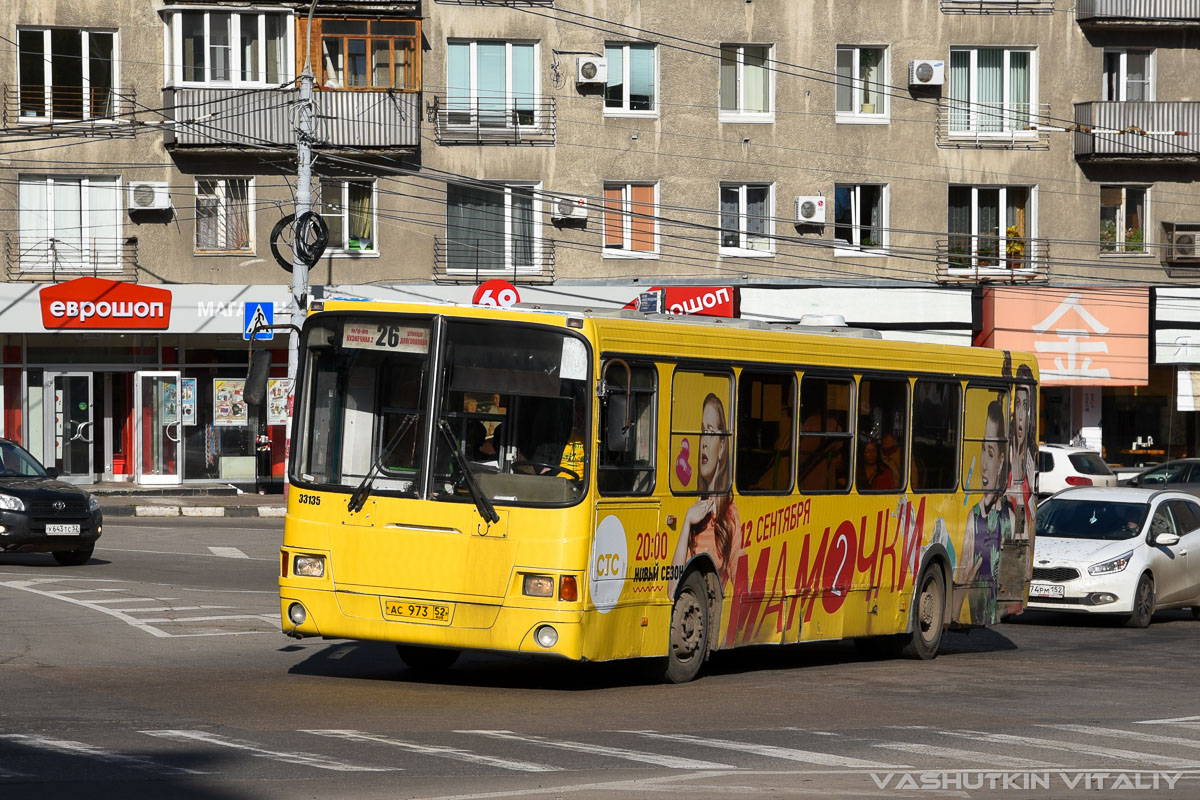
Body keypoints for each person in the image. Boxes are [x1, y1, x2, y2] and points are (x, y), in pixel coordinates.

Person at [669, 393, 742, 595]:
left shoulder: (729, 514)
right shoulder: (694, 510)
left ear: (722, 446)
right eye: (702, 431)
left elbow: (742, 590)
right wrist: (686, 524)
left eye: (710, 431)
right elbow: (672, 591)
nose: (704, 442)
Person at [960, 399, 1014, 625]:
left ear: (1001, 461)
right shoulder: (973, 518)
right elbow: (956, 608)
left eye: (990, 453)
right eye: (982, 449)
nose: (983, 464)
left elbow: (1012, 588)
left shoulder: (1009, 518)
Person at [1009, 364, 1036, 540]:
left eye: (1025, 405)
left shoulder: (1031, 462)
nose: (1020, 415)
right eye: (1017, 404)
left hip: (1021, 542)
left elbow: (1032, 515)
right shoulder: (1003, 455)